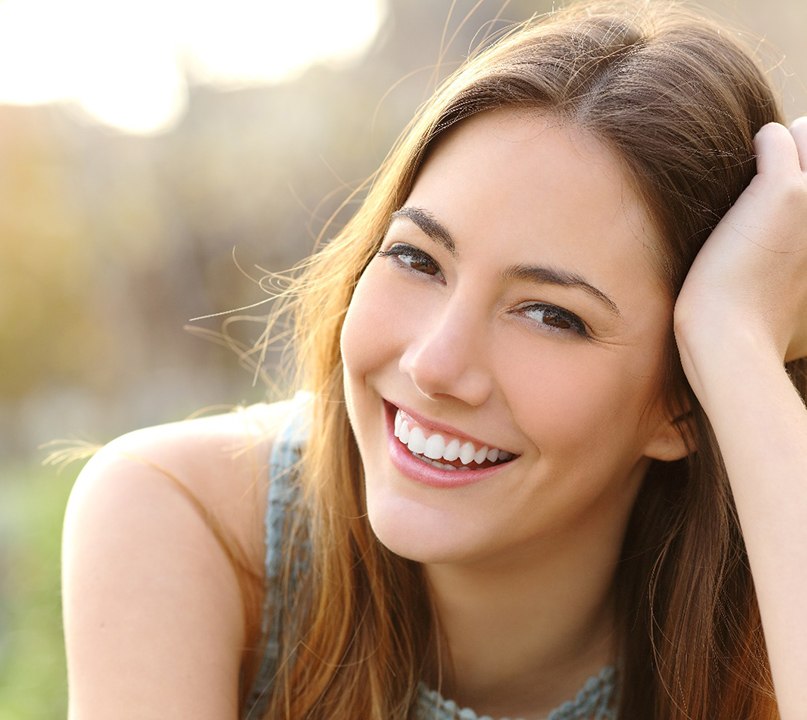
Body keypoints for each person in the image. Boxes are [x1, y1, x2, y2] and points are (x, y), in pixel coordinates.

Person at [61, 1, 807, 718]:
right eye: (418, 260)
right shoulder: (185, 520)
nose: (435, 364)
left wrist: (738, 349)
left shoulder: (768, 608)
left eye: (551, 315)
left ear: (683, 402)